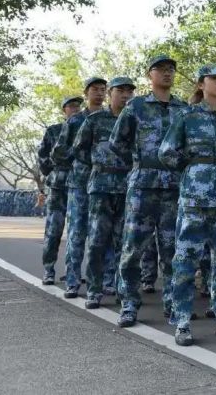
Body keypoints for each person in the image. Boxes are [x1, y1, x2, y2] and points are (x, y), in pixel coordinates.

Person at [159, 64, 216, 346]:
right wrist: (193, 170)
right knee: (186, 259)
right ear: (201, 84)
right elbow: (166, 152)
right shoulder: (187, 116)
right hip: (195, 200)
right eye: (214, 79)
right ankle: (182, 321)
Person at [110, 55, 188, 327]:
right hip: (142, 187)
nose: (167, 73)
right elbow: (117, 142)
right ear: (149, 75)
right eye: (161, 69)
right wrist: (138, 162)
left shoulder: (183, 109)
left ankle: (173, 304)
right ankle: (129, 303)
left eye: (171, 69)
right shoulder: (136, 106)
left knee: (172, 249)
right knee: (133, 248)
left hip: (173, 188)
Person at [73, 77, 136, 308]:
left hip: (127, 187)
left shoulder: (135, 120)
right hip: (100, 188)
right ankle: (94, 290)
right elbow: (79, 149)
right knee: (97, 241)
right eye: (120, 91)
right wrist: (99, 164)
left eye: (129, 91)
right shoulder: (95, 120)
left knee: (125, 243)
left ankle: (122, 289)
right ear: (111, 93)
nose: (125, 95)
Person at [52, 77, 107, 298]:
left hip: (104, 184)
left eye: (103, 89)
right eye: (95, 89)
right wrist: (79, 161)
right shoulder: (75, 121)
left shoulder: (111, 118)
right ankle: (73, 281)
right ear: (86, 93)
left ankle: (105, 281)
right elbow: (59, 152)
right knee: (77, 233)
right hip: (79, 185)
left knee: (102, 234)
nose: (99, 93)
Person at [39, 95, 83, 285]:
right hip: (58, 187)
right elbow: (43, 157)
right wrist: (54, 172)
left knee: (76, 232)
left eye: (78, 106)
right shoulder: (54, 130)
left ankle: (72, 272)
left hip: (79, 185)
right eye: (71, 106)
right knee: (54, 230)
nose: (75, 109)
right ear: (64, 110)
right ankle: (48, 270)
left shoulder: (85, 127)